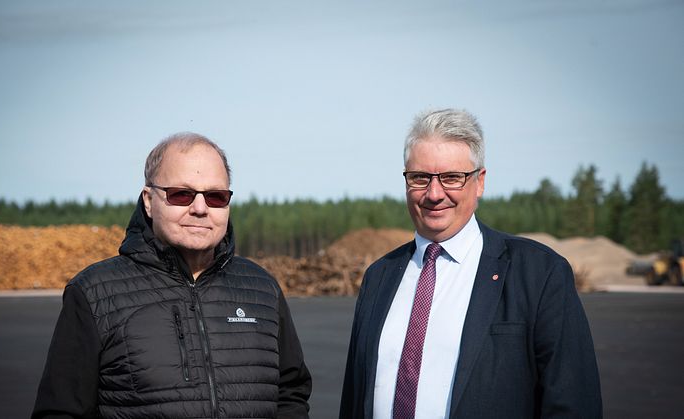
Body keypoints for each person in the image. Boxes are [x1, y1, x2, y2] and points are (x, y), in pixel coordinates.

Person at [339, 109, 602, 418]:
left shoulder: (538, 274)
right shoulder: (379, 277)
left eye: (452, 178)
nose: (434, 194)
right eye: (420, 178)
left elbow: (573, 404)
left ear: (479, 182)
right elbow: (355, 399)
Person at [32, 133, 312, 419]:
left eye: (216, 197)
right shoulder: (94, 294)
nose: (200, 209)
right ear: (149, 201)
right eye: (182, 194)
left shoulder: (261, 289)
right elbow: (60, 411)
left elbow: (291, 392)